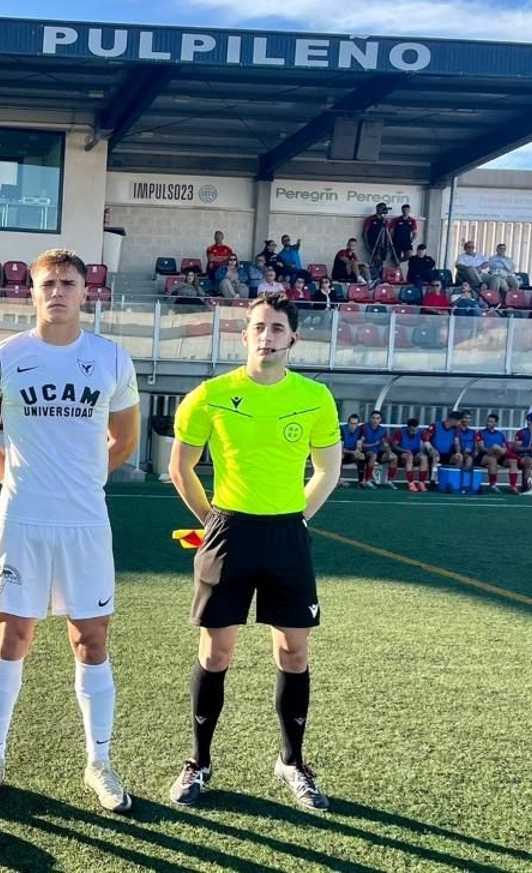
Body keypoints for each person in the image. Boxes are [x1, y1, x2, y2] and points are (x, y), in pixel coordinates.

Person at [0, 249, 140, 813]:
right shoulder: (4, 358)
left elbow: (126, 439)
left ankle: (100, 763)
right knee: (11, 637)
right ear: (31, 292)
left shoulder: (112, 360)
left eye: (68, 283)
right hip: (22, 522)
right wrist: (17, 482)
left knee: (91, 640)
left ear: (86, 292)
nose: (57, 292)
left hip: (86, 522)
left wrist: (86, 481)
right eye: (47, 284)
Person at [167, 291, 342, 813]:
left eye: (277, 328)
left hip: (287, 536)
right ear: (244, 335)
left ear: (293, 338)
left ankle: (292, 761)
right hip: (228, 534)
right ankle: (199, 762)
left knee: (294, 650)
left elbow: (327, 469)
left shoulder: (315, 397)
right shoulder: (210, 395)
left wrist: (298, 517)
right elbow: (181, 468)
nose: (267, 336)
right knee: (215, 651)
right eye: (258, 327)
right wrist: (213, 523)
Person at [477, 414, 514, 492]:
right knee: (493, 454)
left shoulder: (500, 435)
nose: (488, 423)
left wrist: (498, 453)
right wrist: (493, 451)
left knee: (513, 461)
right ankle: (493, 485)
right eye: (488, 421)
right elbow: (481, 448)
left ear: (495, 423)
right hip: (485, 455)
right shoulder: (481, 433)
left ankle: (513, 486)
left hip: (499, 455)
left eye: (491, 422)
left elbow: (504, 448)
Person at [357, 410, 394, 489]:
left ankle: (390, 481)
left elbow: (386, 444)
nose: (375, 420)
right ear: (370, 418)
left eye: (377, 418)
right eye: (373, 418)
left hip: (377, 451)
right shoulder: (364, 427)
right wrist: (373, 444)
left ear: (380, 420)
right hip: (365, 451)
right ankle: (368, 480)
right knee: (373, 455)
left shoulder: (382, 430)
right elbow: (360, 444)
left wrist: (390, 453)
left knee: (394, 457)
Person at [394, 418, 430, 491]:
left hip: (415, 454)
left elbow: (428, 445)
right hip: (402, 454)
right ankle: (411, 483)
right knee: (409, 456)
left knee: (424, 457)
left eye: (415, 430)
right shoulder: (400, 432)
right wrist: (404, 450)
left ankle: (421, 483)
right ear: (408, 428)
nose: (414, 432)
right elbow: (394, 446)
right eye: (412, 430)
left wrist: (432, 451)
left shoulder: (421, 432)